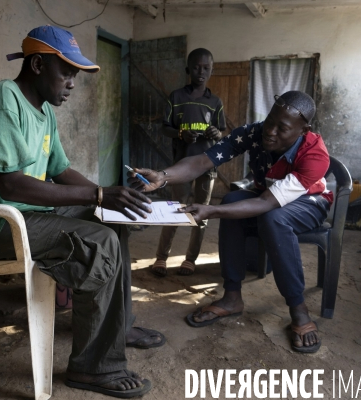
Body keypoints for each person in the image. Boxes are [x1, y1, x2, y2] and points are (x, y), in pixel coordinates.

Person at [0, 25, 165, 398]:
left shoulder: (44, 113)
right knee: (100, 243)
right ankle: (94, 368)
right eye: (67, 72)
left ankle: (118, 326)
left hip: (18, 215)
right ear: (38, 64)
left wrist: (111, 198)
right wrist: (96, 194)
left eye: (75, 75)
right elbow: (9, 186)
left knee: (112, 224)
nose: (72, 83)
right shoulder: (3, 99)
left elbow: (60, 172)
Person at [129, 91, 331, 353]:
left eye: (282, 128)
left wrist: (211, 211)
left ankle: (298, 309)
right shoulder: (254, 133)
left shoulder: (314, 155)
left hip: (310, 203)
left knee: (272, 217)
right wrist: (163, 176)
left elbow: (265, 204)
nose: (270, 131)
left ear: (304, 130)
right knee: (233, 199)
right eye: (270, 121)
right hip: (266, 197)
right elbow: (203, 160)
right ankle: (232, 297)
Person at [151, 48, 226, 277]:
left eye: (206, 68)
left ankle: (190, 259)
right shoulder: (176, 97)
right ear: (187, 70)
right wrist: (180, 134)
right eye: (196, 67)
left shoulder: (215, 102)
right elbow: (165, 127)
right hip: (181, 166)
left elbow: (222, 132)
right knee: (175, 210)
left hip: (206, 166)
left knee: (200, 213)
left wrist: (216, 133)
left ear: (211, 70)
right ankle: (161, 257)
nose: (201, 72)